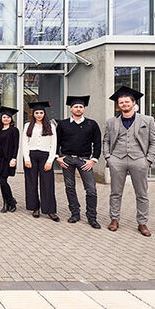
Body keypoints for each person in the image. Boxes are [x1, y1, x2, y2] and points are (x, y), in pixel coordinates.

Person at [102, 86, 155, 237]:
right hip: (117, 160)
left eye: (127, 102)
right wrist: (108, 157)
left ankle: (142, 222)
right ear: (118, 105)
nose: (124, 104)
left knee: (142, 193)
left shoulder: (148, 120)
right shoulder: (111, 122)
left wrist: (148, 160)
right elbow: (106, 141)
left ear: (134, 103)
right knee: (115, 193)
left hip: (139, 160)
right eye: (121, 102)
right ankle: (114, 219)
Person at [56, 95, 102, 229]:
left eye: (81, 107)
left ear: (84, 109)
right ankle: (75, 213)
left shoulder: (91, 124)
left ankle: (92, 217)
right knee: (70, 187)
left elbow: (97, 143)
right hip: (67, 159)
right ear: (71, 109)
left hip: (84, 160)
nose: (78, 109)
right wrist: (57, 157)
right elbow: (56, 142)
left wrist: (94, 160)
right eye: (76, 106)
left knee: (91, 189)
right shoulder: (63, 124)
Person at [22, 101, 59, 221]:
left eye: (41, 113)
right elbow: (24, 143)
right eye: (37, 113)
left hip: (45, 156)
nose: (39, 115)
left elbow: (54, 145)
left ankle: (50, 210)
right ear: (33, 114)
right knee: (31, 183)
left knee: (47, 184)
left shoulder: (51, 126)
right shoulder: (28, 126)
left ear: (44, 113)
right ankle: (35, 208)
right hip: (31, 156)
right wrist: (26, 158)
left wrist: (50, 161)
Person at [0, 106, 20, 213]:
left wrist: (14, 158)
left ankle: (10, 202)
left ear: (11, 119)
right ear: (1, 119)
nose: (6, 119)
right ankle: (7, 202)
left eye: (8, 117)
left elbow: (16, 146)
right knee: (1, 181)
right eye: (4, 117)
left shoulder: (14, 130)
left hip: (7, 159)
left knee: (3, 181)